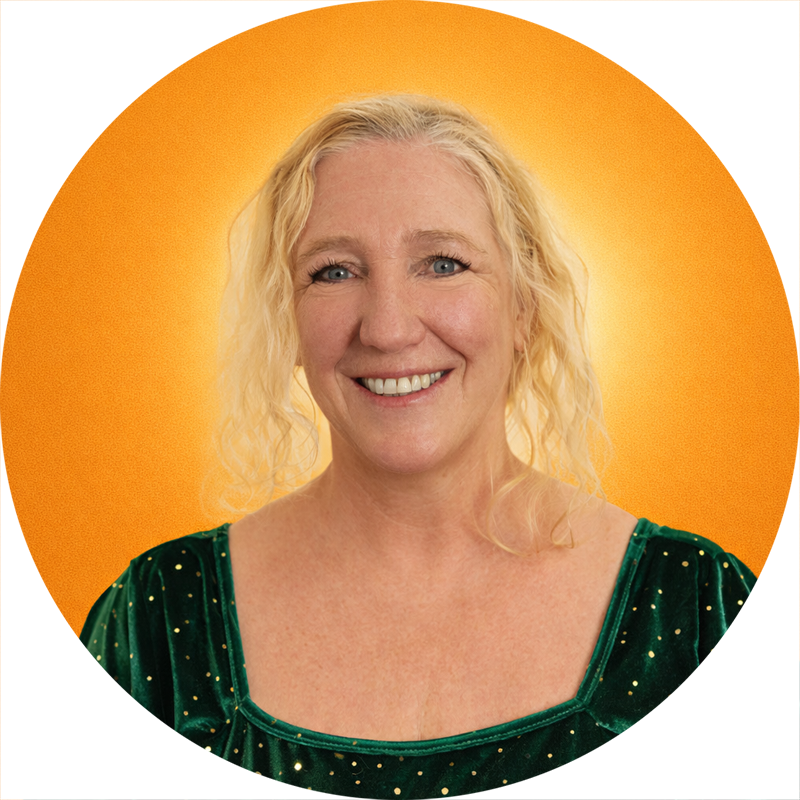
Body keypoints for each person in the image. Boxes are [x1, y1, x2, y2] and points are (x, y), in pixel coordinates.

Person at [81, 95, 755, 799]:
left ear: (524, 305)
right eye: (334, 271)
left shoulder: (700, 608)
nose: (388, 328)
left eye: (442, 263)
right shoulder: (157, 618)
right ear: (288, 319)